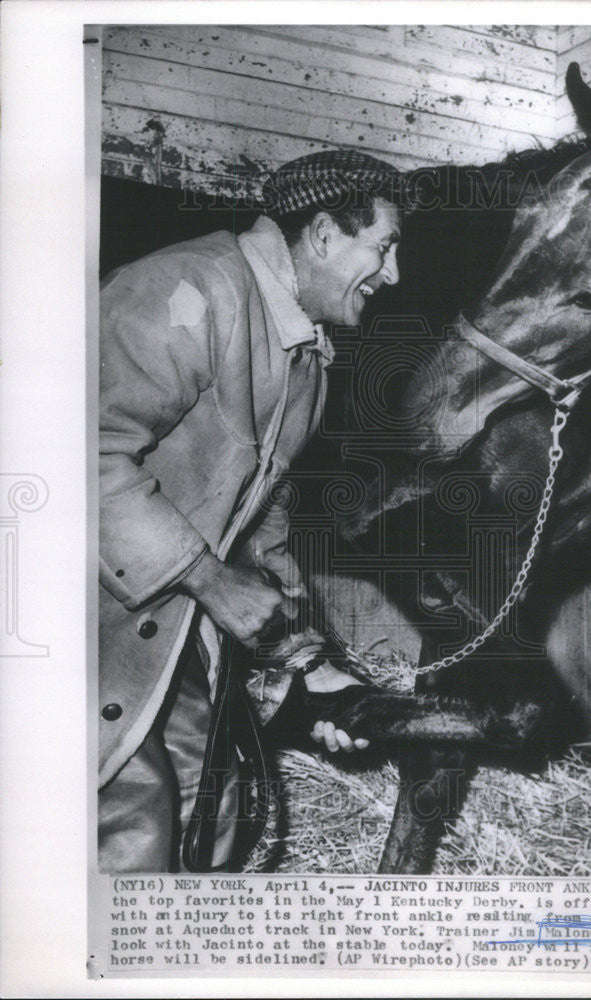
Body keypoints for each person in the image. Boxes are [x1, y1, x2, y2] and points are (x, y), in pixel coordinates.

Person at [97, 150, 405, 872]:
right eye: (385, 247)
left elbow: (260, 524)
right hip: (84, 622)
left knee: (218, 807)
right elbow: (75, 455)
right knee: (135, 828)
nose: (395, 275)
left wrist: (311, 666)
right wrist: (207, 580)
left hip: (165, 628)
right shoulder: (187, 289)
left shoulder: (306, 357)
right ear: (324, 234)